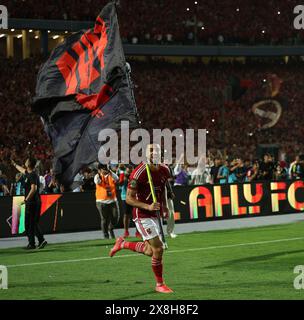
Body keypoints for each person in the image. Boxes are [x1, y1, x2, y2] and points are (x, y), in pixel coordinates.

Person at [109, 144, 173, 294]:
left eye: (157, 150)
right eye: (151, 150)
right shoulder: (139, 173)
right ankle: (160, 284)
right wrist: (148, 206)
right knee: (158, 248)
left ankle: (122, 244)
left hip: (155, 214)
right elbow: (129, 199)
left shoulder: (164, 170)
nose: (154, 152)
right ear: (145, 154)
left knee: (150, 251)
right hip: (142, 214)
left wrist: (164, 206)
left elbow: (162, 189)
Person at [11, 158, 47, 250]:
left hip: (33, 202)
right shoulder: (28, 173)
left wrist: (26, 200)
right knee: (29, 224)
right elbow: (22, 170)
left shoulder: (33, 175)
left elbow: (34, 189)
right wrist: (14, 164)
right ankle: (35, 242)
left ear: (29, 164)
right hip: (31, 202)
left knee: (31, 223)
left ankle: (37, 241)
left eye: (26, 160)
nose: (25, 161)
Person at [94, 164, 119, 239]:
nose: (106, 170)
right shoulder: (97, 176)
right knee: (104, 219)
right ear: (100, 170)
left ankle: (110, 228)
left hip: (112, 200)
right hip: (101, 201)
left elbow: (117, 179)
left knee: (115, 217)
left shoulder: (111, 174)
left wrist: (110, 171)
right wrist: (99, 173)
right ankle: (106, 235)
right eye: (104, 169)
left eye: (106, 168)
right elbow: (97, 182)